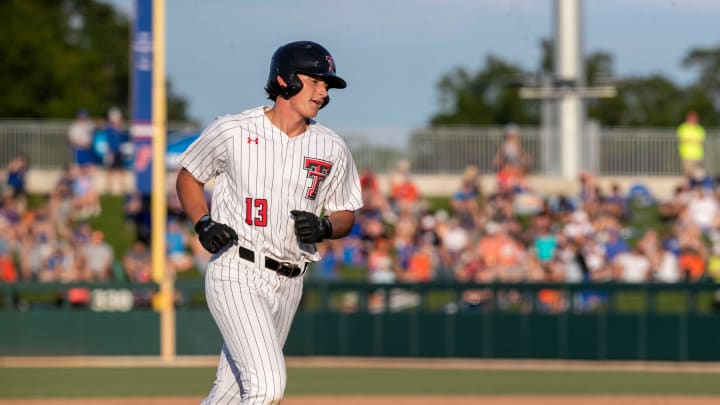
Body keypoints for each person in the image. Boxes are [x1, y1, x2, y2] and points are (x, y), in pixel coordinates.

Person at [175, 40, 362, 404]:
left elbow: (346, 213)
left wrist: (325, 227)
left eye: (328, 85)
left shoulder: (332, 147)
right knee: (266, 386)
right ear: (286, 80)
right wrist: (203, 222)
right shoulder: (233, 130)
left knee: (229, 393)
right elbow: (188, 176)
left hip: (291, 280)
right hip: (239, 267)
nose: (324, 92)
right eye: (316, 81)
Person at [676, 110, 706, 178]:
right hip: (686, 155)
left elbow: (701, 141)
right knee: (688, 174)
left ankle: (697, 187)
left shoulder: (700, 129)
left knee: (700, 175)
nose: (695, 120)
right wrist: (694, 141)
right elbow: (682, 140)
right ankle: (688, 187)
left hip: (698, 155)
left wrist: (690, 141)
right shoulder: (683, 128)